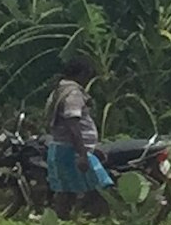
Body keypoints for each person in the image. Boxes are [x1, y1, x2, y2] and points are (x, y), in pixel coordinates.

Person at [44, 48, 123, 212]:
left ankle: (65, 220)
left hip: (60, 147)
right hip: (74, 149)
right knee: (100, 185)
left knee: (66, 190)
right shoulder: (73, 93)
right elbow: (73, 124)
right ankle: (100, 216)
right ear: (81, 74)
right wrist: (82, 154)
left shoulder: (58, 91)